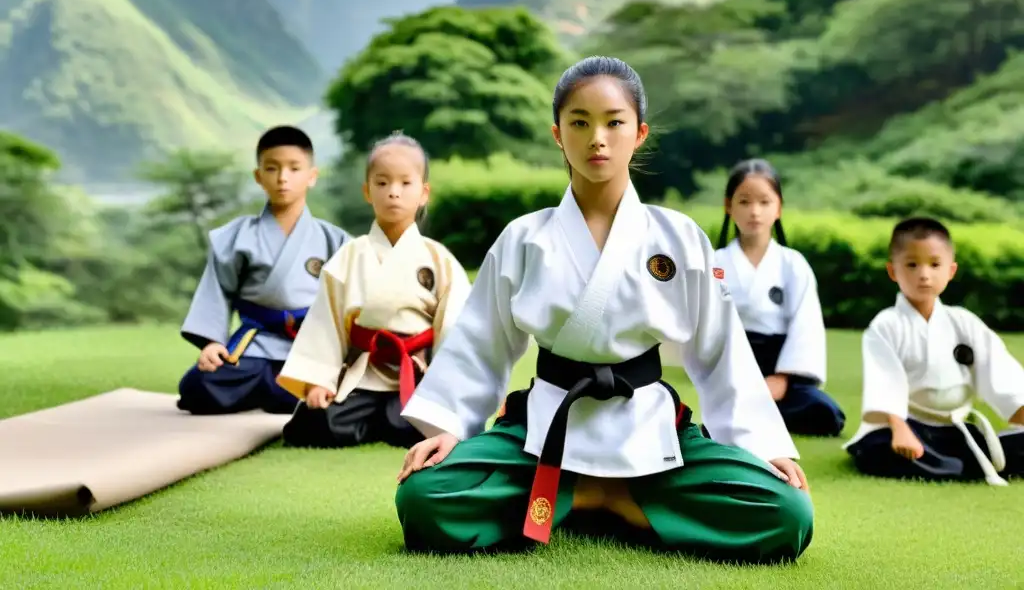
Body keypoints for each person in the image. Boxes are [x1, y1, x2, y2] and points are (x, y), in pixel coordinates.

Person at [392, 56, 813, 563]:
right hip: (547, 423)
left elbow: (721, 352)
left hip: (649, 424)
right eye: (580, 122)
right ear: (557, 134)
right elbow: (480, 344)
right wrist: (448, 429)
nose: (598, 138)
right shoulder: (525, 238)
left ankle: (601, 498)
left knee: (788, 511)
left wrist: (765, 444)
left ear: (639, 133)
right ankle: (599, 495)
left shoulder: (678, 236)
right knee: (422, 498)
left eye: (614, 122)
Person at [276, 133, 471, 450]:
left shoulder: (440, 260)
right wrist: (319, 380)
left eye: (405, 184)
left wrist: (445, 384)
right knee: (314, 424)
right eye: (382, 183)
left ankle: (386, 421)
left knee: (436, 426)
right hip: (363, 374)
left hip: (417, 374)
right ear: (368, 191)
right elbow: (327, 322)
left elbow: (455, 326)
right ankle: (380, 421)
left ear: (423, 193)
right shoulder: (350, 256)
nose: (393, 193)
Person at [176, 126, 350, 415]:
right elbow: (216, 291)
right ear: (259, 176)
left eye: (294, 169)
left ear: (312, 176)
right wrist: (211, 344)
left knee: (349, 387)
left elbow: (348, 306)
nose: (283, 178)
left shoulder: (335, 240)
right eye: (272, 168)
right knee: (198, 385)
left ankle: (285, 393)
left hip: (310, 350)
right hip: (255, 347)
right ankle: (284, 395)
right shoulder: (235, 236)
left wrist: (342, 357)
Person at [843, 217, 1024, 484]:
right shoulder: (885, 326)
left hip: (955, 430)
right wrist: (900, 429)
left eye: (934, 264)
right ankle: (963, 466)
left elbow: (1000, 374)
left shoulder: (964, 322)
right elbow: (885, 383)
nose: (924, 274)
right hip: (906, 427)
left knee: (1006, 445)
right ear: (893, 271)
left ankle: (956, 464)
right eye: (912, 265)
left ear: (951, 271)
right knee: (876, 449)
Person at [712, 159, 845, 437]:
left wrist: (782, 378)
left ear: (779, 208)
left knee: (825, 413)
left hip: (784, 369)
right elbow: (709, 327)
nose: (754, 211)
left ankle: (754, 414)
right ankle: (747, 411)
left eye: (764, 202)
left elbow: (805, 325)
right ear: (729, 206)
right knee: (730, 406)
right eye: (744, 201)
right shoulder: (716, 263)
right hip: (736, 365)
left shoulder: (793, 264)